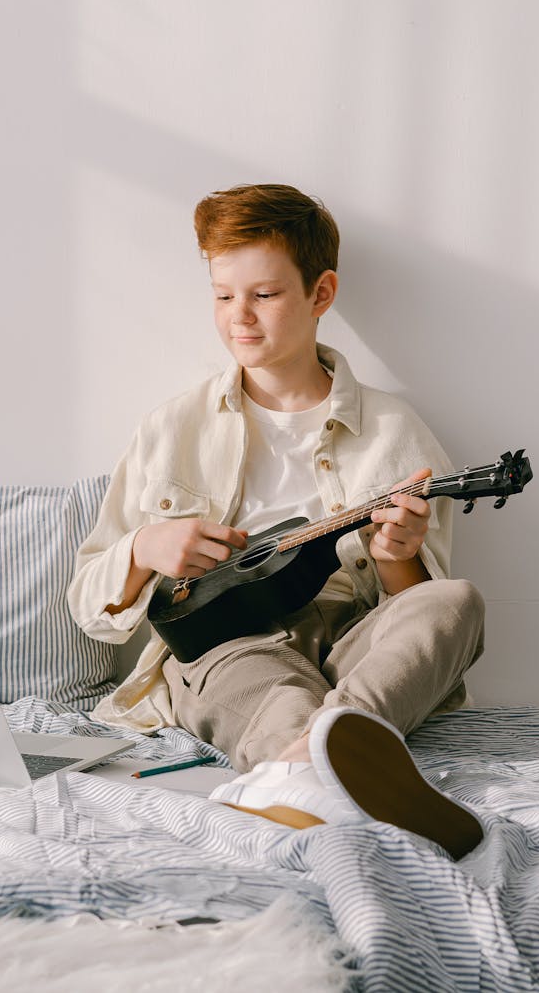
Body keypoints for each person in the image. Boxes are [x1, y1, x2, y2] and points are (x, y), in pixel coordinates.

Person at [68, 184, 486, 861]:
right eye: (223, 295)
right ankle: (342, 772)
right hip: (230, 650)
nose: (240, 318)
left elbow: (417, 618)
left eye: (264, 295)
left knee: (458, 600)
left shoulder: (393, 431)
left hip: (353, 652)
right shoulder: (174, 428)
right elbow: (89, 603)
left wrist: (396, 557)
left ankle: (300, 780)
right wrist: (147, 545)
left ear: (322, 294)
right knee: (273, 692)